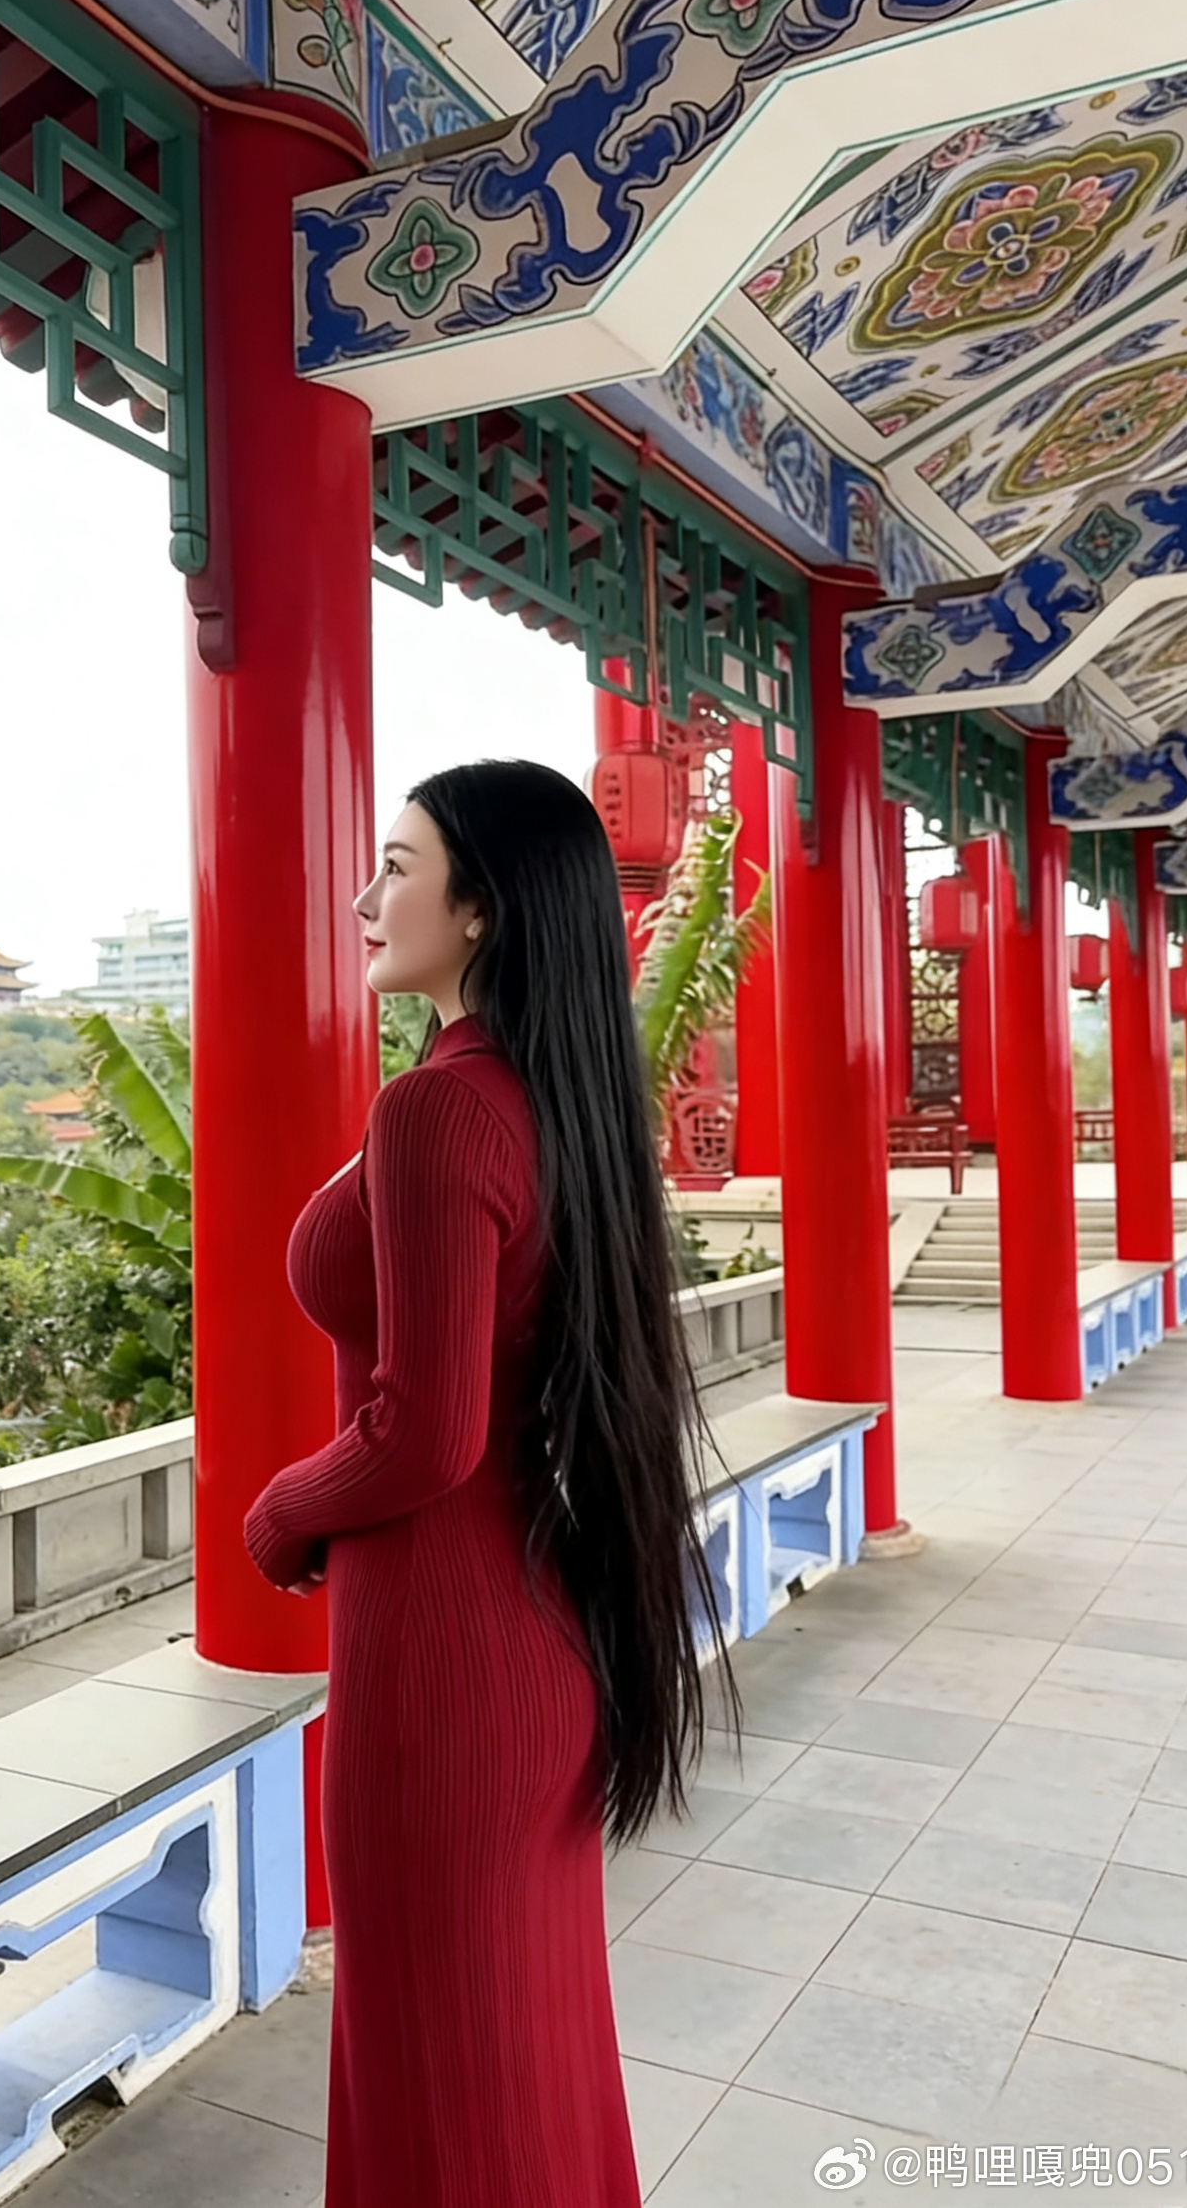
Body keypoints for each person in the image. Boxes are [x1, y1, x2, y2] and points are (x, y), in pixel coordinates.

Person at [243, 758, 739, 2208]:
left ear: (482, 909)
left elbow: (422, 1432)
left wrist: (278, 1511)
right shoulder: (562, 1099)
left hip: (438, 1655)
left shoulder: (436, 1110)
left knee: (441, 2076)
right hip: (533, 1626)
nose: (363, 896)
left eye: (396, 867)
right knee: (520, 2056)